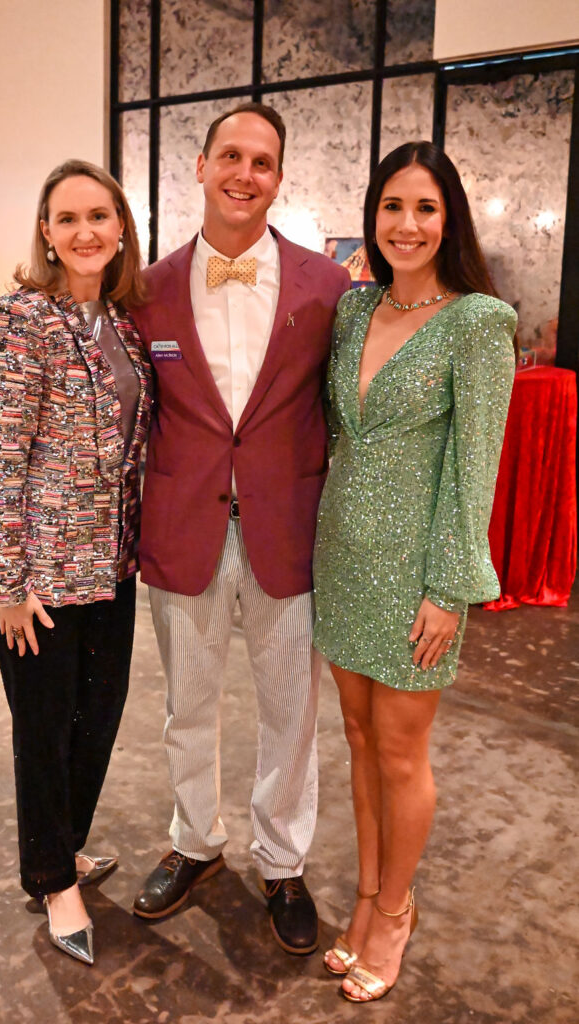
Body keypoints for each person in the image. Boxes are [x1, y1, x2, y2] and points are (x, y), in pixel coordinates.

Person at [130, 102, 349, 954]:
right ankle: (194, 843)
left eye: (262, 161)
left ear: (279, 177)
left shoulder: (327, 290)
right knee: (188, 706)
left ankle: (283, 862)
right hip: (183, 530)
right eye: (230, 155)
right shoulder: (145, 289)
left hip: (286, 532)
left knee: (290, 713)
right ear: (200, 165)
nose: (244, 174)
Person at [313, 140, 517, 1001]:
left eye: (426, 208)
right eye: (393, 207)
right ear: (373, 216)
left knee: (402, 754)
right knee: (357, 741)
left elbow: (479, 468)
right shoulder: (353, 313)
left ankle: (396, 911)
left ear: (451, 219)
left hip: (416, 573)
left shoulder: (478, 322)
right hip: (343, 557)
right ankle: (365, 897)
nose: (407, 224)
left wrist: (450, 589)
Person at [0, 159, 153, 965]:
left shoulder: (122, 324)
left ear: (121, 231)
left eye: (100, 217)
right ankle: (53, 878)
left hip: (112, 568)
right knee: (43, 731)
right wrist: (6, 586)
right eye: (68, 218)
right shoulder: (19, 319)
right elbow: (0, 461)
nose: (86, 232)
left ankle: (63, 844)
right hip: (40, 578)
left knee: (99, 718)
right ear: (47, 232)